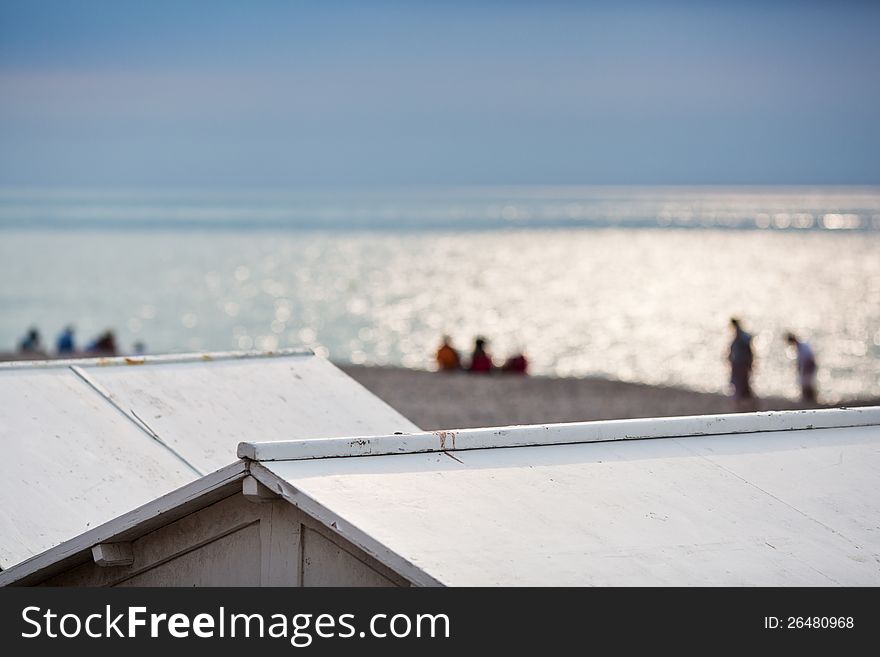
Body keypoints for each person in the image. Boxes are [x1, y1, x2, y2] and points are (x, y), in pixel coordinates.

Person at [728, 318, 755, 410]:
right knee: (741, 385)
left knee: (742, 385)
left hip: (741, 364)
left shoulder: (741, 337)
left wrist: (750, 363)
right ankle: (742, 405)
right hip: (739, 364)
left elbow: (749, 351)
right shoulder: (738, 336)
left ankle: (743, 406)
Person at [786, 332, 818, 403]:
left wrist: (805, 369)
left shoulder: (803, 346)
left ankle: (810, 400)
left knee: (807, 384)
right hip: (807, 368)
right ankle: (809, 399)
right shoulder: (800, 347)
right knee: (806, 384)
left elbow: (809, 358)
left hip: (808, 367)